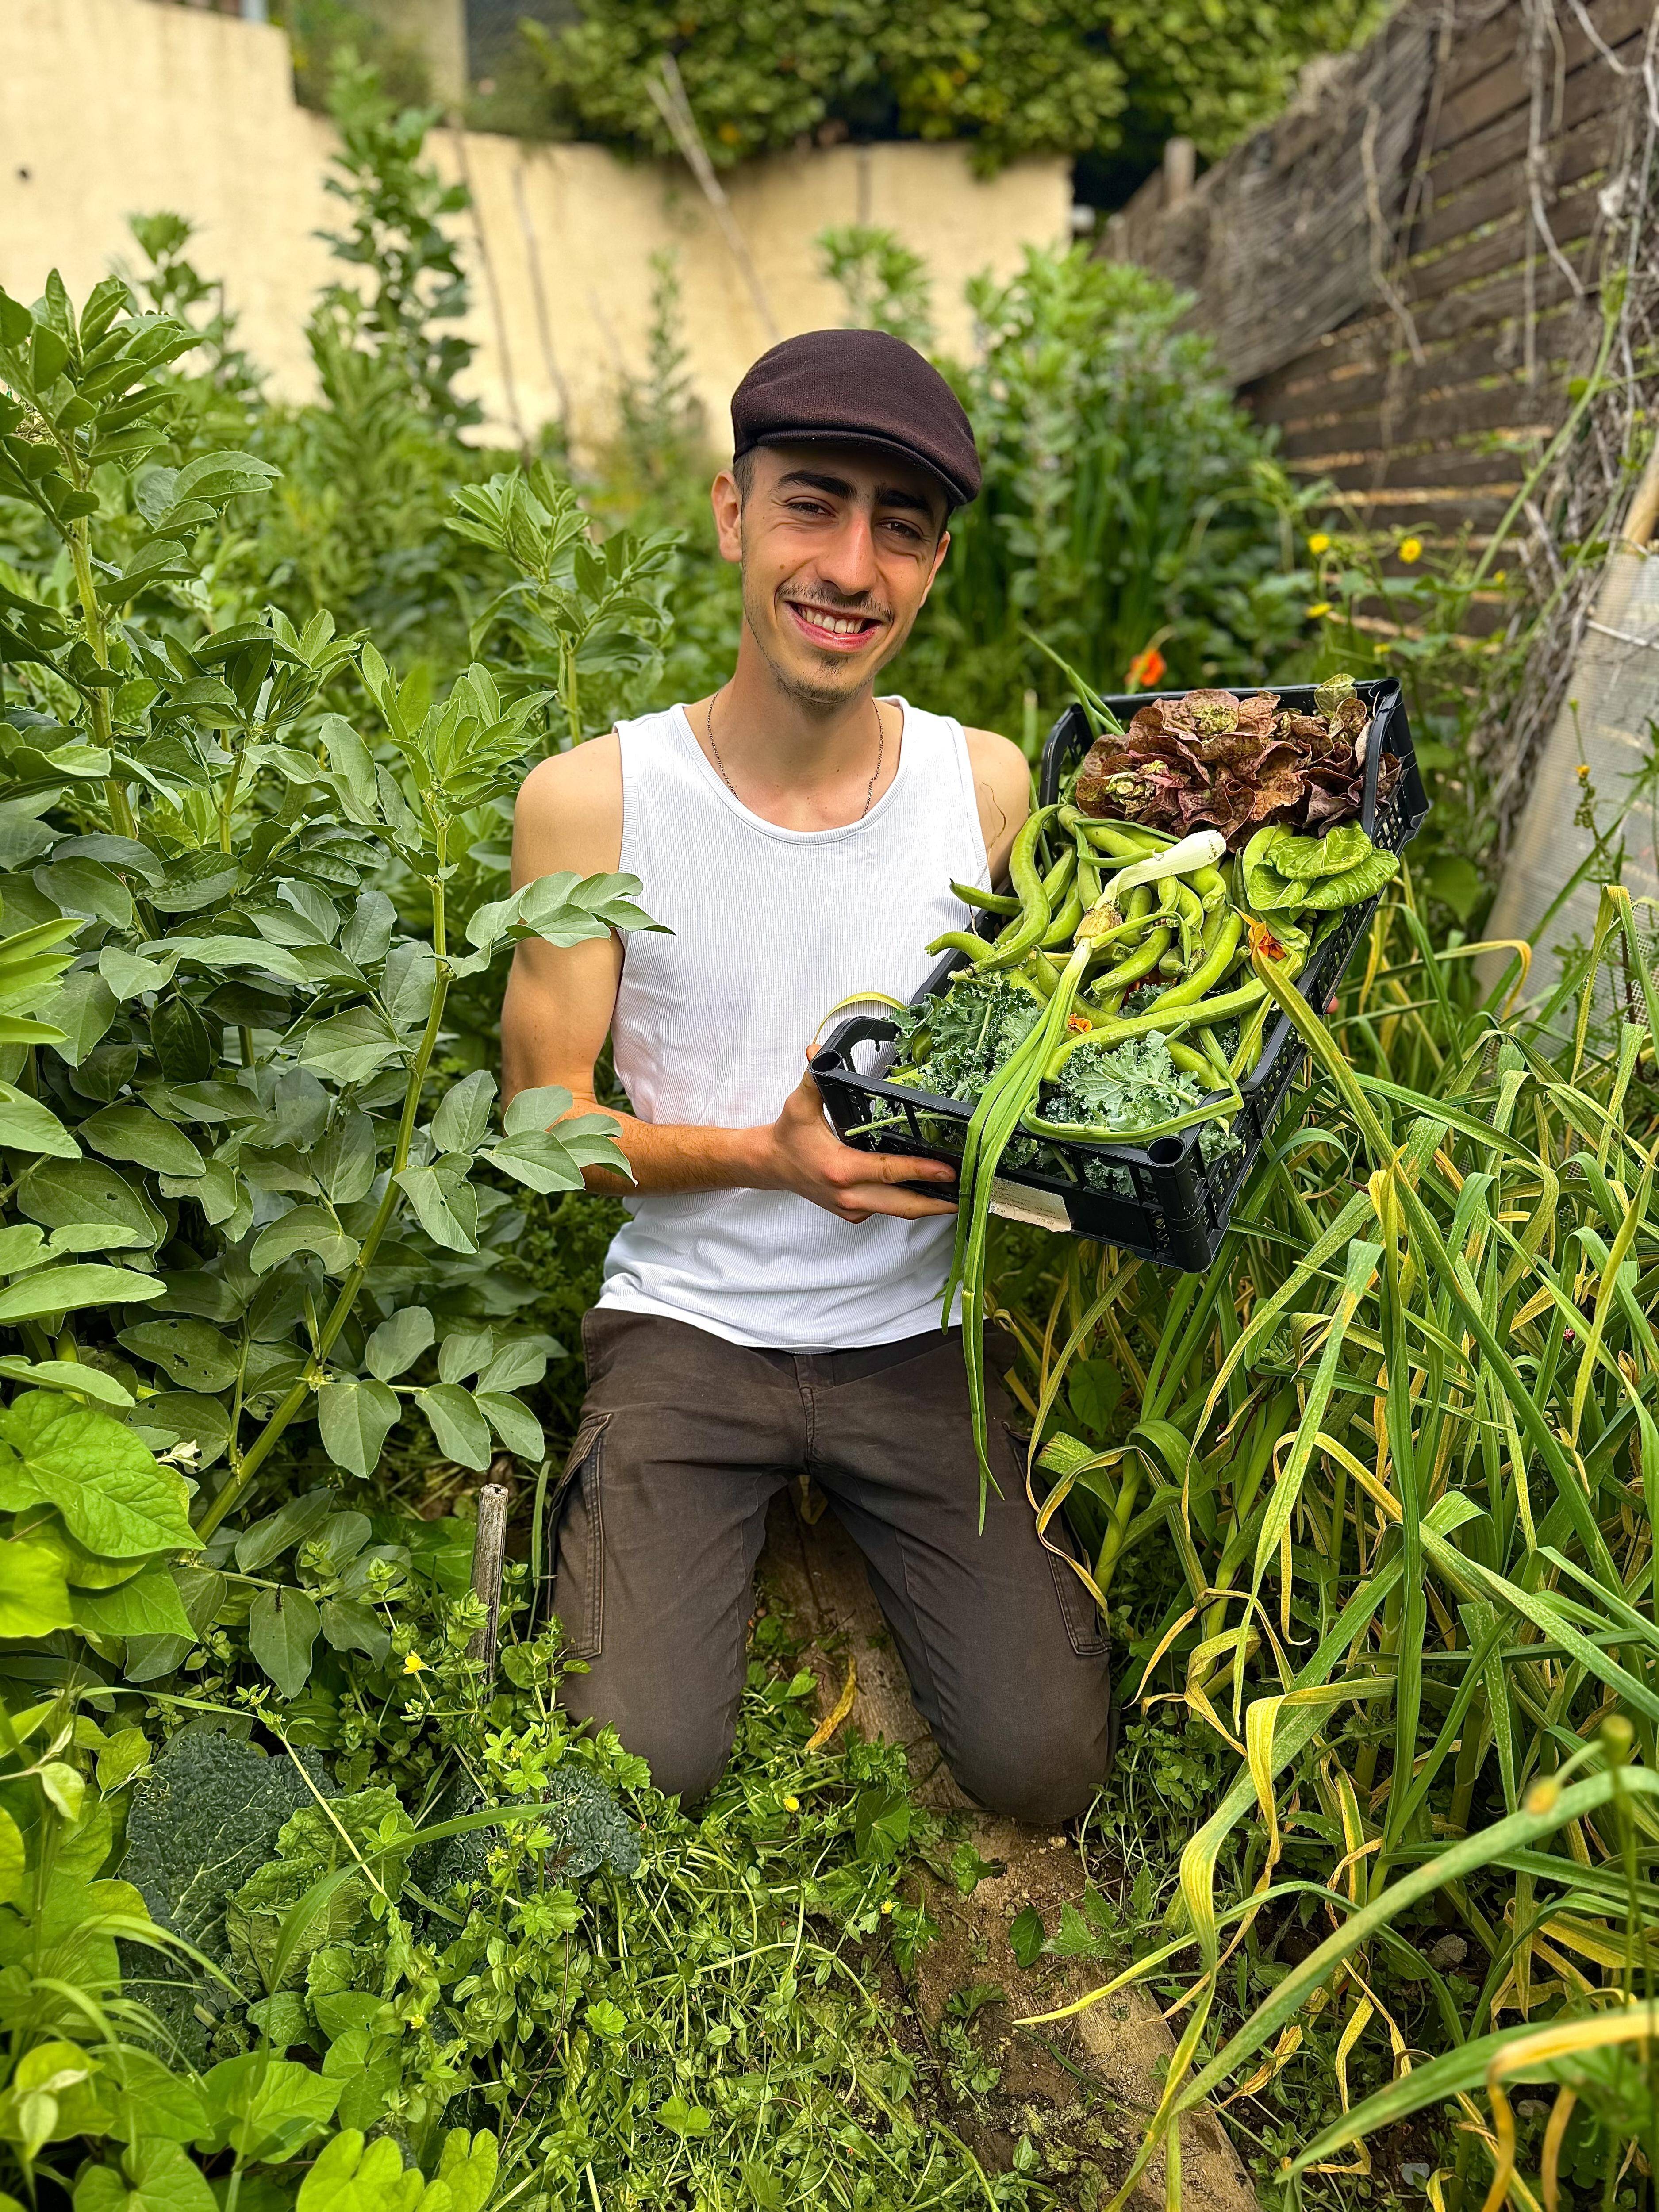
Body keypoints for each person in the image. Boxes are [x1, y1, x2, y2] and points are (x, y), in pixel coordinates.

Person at [502, 328, 1114, 1820]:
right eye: (812, 504)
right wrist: (766, 1160)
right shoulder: (595, 802)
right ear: (730, 511)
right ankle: (575, 1533)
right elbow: (536, 1129)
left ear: (936, 565)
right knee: (634, 1777)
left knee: (1047, 1766)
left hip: (913, 1335)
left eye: (898, 528)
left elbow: (1021, 1051)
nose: (849, 566)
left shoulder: (984, 789)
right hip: (688, 1325)